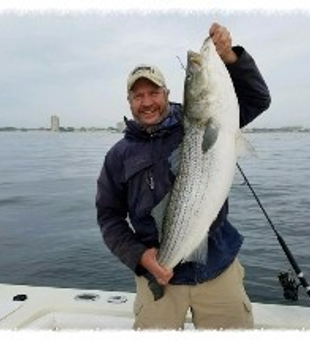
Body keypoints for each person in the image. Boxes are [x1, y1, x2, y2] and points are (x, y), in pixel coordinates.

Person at [96, 22, 271, 330]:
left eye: (154, 92)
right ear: (129, 102)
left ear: (167, 93)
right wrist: (141, 257)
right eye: (138, 96)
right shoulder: (118, 156)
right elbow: (109, 216)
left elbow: (258, 98)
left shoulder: (203, 120)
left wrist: (230, 57)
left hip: (218, 264)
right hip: (158, 268)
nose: (147, 102)